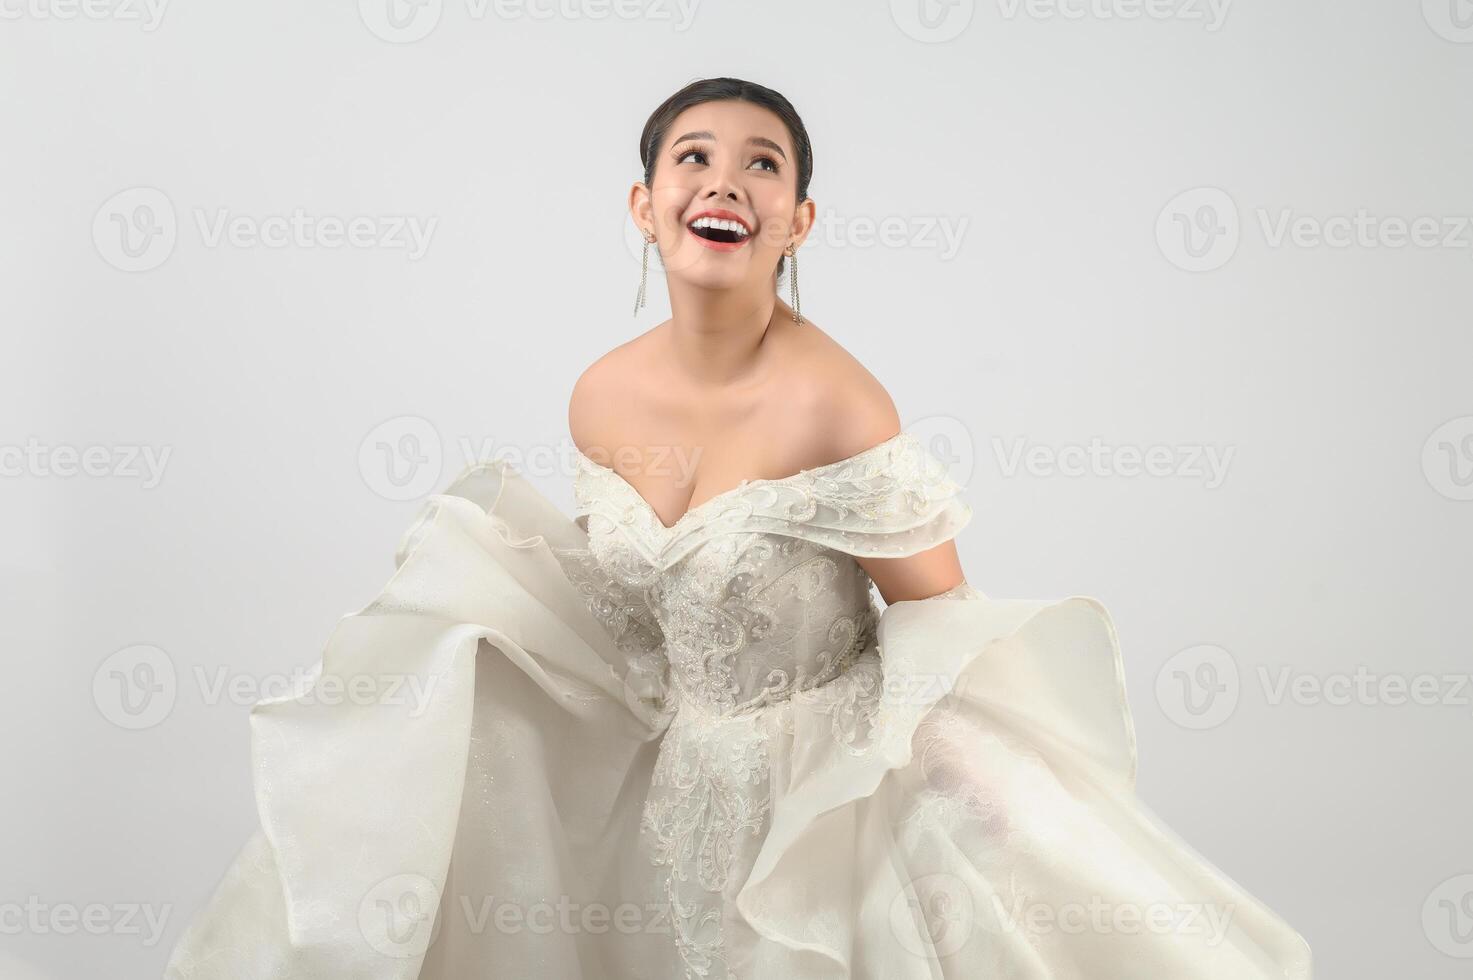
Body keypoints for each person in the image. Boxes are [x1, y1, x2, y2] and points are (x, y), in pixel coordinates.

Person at [165, 76, 1313, 979]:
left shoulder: (837, 400)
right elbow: (633, 611)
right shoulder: (603, 394)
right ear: (645, 202)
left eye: (763, 166)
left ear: (798, 219)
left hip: (827, 797)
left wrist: (977, 794)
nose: (726, 182)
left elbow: (938, 618)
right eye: (694, 158)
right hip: (676, 790)